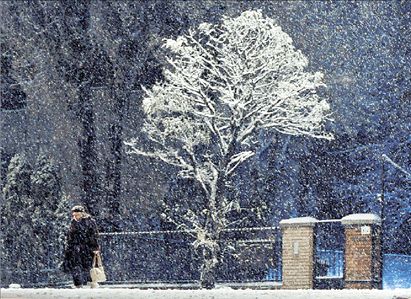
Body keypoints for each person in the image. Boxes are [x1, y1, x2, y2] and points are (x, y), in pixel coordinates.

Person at [62, 205, 100, 288]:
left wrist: (95, 247)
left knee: (87, 266)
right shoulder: (73, 222)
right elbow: (69, 237)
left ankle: (91, 282)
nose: (75, 216)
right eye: (74, 215)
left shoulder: (89, 222)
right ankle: (78, 284)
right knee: (75, 266)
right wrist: (68, 248)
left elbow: (93, 235)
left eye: (77, 214)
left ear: (82, 214)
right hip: (75, 248)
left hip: (86, 248)